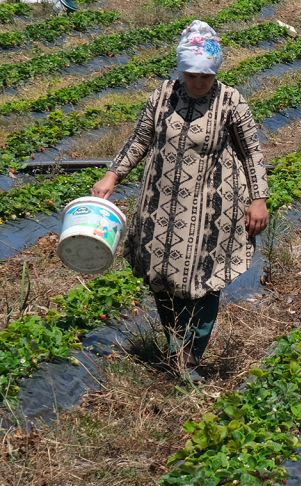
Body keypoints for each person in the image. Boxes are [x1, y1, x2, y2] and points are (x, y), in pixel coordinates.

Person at [92, 20, 269, 382]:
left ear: (215, 72)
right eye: (191, 75)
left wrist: (258, 198)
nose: (198, 83)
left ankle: (190, 358)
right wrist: (113, 174)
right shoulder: (163, 96)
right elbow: (140, 139)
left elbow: (252, 152)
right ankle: (176, 347)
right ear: (181, 69)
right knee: (160, 278)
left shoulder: (230, 101)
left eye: (205, 76)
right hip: (160, 207)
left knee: (205, 281)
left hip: (211, 211)